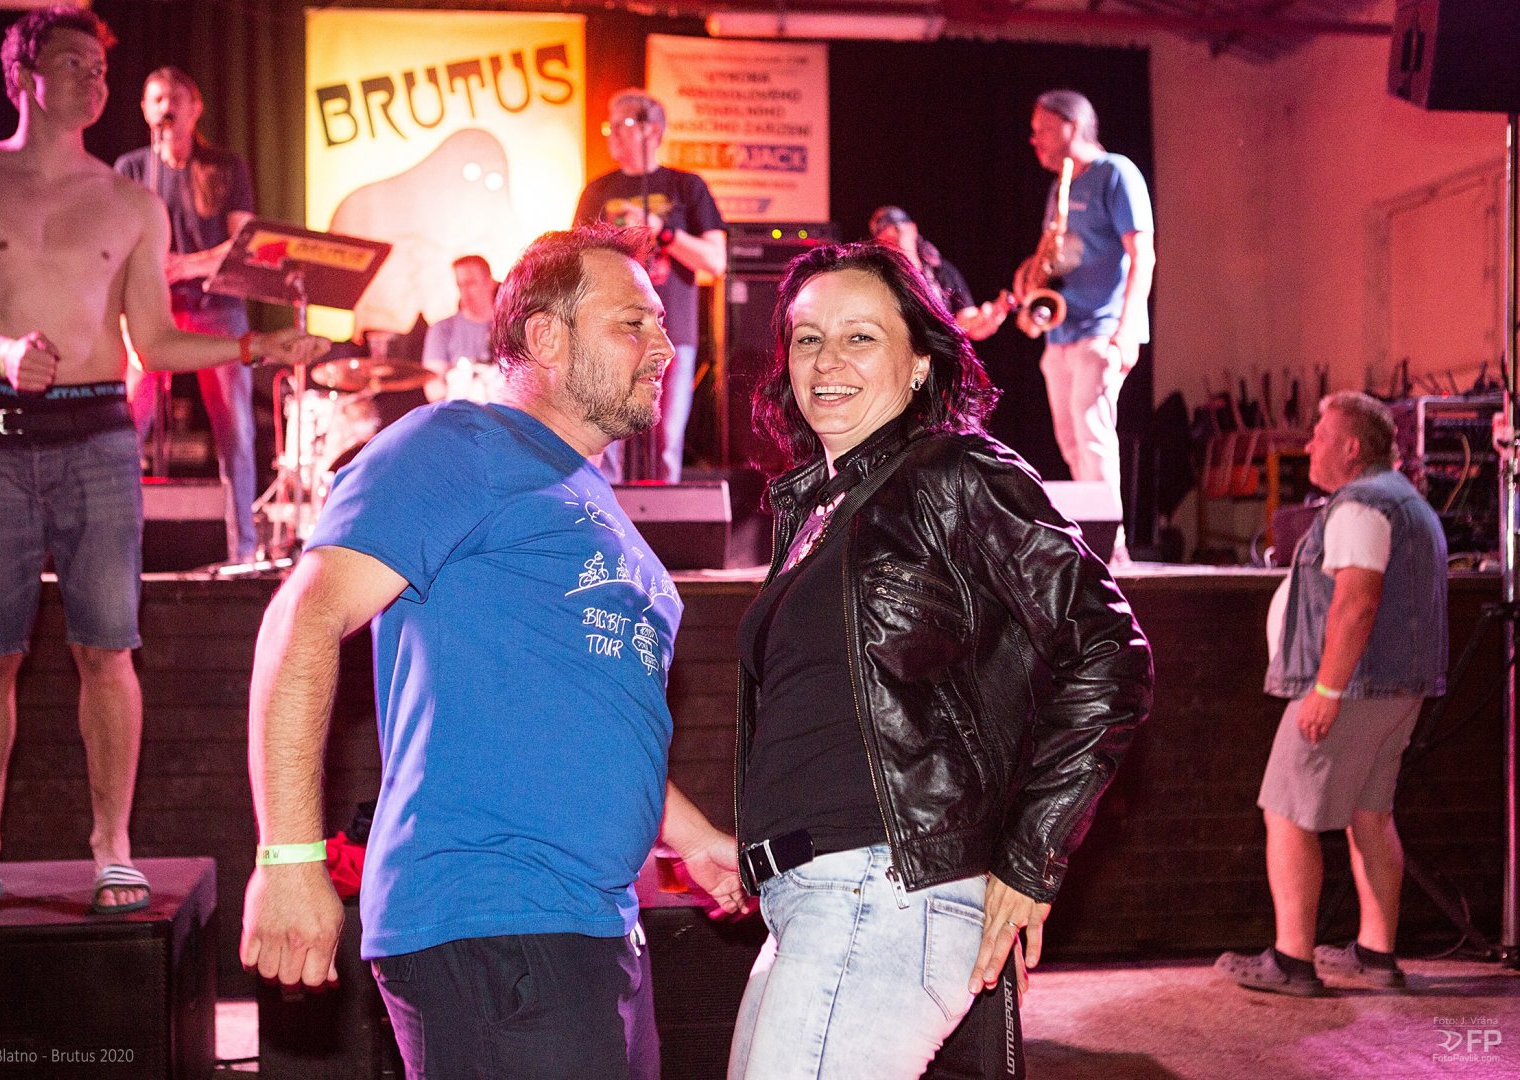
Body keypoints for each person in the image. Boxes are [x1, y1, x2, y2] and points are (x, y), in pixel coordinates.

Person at [240, 225, 748, 1079]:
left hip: (592, 925)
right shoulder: (461, 444)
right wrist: (288, 859)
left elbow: (574, 710)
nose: (664, 347)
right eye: (633, 323)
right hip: (491, 917)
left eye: (662, 325)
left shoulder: (589, 497)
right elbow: (302, 619)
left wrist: (690, 837)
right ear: (546, 337)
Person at [0, 6, 326, 920]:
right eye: (74, 63)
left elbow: (159, 340)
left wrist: (258, 347)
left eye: (101, 68)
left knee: (108, 650)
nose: (95, 79)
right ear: (22, 75)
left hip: (100, 437)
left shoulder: (131, 202)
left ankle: (114, 848)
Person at [727, 242, 1153, 1078]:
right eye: (808, 338)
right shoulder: (813, 511)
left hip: (882, 887)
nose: (827, 360)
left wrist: (1031, 857)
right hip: (810, 897)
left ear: (920, 362)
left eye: (860, 337)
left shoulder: (956, 472)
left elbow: (1109, 651)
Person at [1216, 391, 1448, 997]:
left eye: (1319, 435)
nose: (1309, 445)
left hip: (1352, 689)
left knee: (1288, 812)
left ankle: (1292, 962)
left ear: (1351, 447)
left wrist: (1326, 688)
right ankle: (1376, 954)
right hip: (1395, 691)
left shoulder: (1362, 503)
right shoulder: (1408, 501)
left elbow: (1357, 602)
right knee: (1370, 815)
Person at [973, 89, 1155, 556]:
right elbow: (1052, 257)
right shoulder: (1062, 186)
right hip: (1062, 331)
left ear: (1071, 126)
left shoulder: (1116, 173)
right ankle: (1095, 542)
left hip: (1102, 327)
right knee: (1072, 441)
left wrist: (1127, 330)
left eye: (1043, 130)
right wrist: (1023, 287)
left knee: (1093, 435)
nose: (1034, 140)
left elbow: (1143, 255)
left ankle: (1114, 549)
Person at [115, 66, 260, 562]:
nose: (166, 107)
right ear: (144, 109)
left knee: (234, 429)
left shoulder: (224, 166)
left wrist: (184, 266)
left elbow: (245, 245)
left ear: (195, 107)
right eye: (156, 98)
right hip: (151, 311)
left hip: (217, 308)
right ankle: (119, 546)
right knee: (129, 420)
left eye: (175, 97)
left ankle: (243, 550)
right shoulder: (132, 168)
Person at [574, 89, 727, 483]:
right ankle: (604, 514)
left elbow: (715, 260)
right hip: (609, 332)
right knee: (605, 436)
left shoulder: (686, 186)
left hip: (673, 331)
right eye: (610, 125)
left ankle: (663, 520)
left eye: (623, 124)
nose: (613, 133)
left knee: (665, 443)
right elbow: (578, 261)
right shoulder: (598, 190)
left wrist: (663, 231)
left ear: (653, 131)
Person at [868, 205, 1004, 341]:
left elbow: (967, 324)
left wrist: (986, 319)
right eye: (887, 238)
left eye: (899, 231)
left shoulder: (942, 271)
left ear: (913, 229)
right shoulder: (881, 280)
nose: (896, 240)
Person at [420, 253, 498, 404]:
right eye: (460, 285)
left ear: (490, 282)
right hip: (459, 413)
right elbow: (433, 389)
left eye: (471, 283)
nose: (464, 292)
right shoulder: (442, 328)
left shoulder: (511, 327)